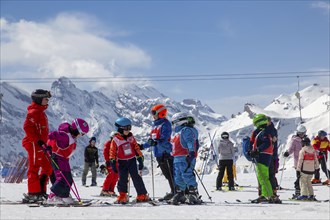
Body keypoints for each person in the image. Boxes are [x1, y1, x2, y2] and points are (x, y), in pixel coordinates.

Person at [47, 118, 89, 204]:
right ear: (76, 130)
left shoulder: (71, 136)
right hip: (57, 158)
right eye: (82, 133)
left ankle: (64, 196)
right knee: (61, 178)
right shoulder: (65, 136)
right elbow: (53, 134)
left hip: (64, 159)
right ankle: (52, 196)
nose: (81, 136)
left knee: (68, 179)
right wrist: (47, 145)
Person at [22, 89, 53, 203]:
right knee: (34, 168)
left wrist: (45, 143)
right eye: (46, 99)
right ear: (39, 99)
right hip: (34, 144)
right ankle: (33, 194)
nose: (47, 101)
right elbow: (27, 128)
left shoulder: (40, 111)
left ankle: (40, 191)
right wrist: (37, 141)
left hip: (41, 145)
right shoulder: (34, 112)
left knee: (47, 167)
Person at [110, 117, 149, 204]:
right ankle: (123, 195)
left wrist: (140, 158)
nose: (128, 130)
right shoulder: (115, 140)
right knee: (122, 179)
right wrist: (112, 161)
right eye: (126, 128)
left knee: (136, 177)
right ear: (119, 129)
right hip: (122, 162)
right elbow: (112, 151)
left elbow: (136, 148)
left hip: (131, 161)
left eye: (129, 128)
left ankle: (142, 194)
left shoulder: (131, 137)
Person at [141, 104, 174, 201]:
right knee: (167, 174)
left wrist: (156, 142)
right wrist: (142, 146)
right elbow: (152, 140)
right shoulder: (155, 126)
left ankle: (176, 192)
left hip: (165, 152)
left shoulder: (165, 124)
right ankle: (173, 191)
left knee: (171, 174)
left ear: (161, 113)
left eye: (154, 113)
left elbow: (164, 138)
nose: (152, 115)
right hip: (158, 153)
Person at [170, 112, 201, 205]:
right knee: (178, 177)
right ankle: (180, 193)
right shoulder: (177, 132)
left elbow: (190, 141)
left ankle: (193, 193)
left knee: (187, 175)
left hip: (185, 156)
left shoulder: (186, 130)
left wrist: (191, 152)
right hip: (177, 158)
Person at [248, 114, 275, 203]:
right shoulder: (264, 131)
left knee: (262, 176)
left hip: (263, 156)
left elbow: (266, 143)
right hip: (265, 155)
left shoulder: (262, 132)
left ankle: (266, 195)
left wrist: (257, 150)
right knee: (263, 176)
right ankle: (269, 194)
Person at [283, 124, 307, 198]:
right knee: (299, 177)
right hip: (298, 163)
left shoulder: (306, 140)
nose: (302, 135)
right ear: (298, 133)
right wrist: (287, 153)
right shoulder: (294, 140)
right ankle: (297, 191)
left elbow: (310, 149)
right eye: (300, 133)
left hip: (306, 162)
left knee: (305, 178)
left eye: (303, 133)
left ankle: (304, 192)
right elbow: (291, 149)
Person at [265, 116, 280, 201]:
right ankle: (269, 191)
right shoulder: (270, 129)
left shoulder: (271, 130)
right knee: (269, 174)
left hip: (270, 155)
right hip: (270, 154)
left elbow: (272, 142)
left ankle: (272, 192)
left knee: (271, 174)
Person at [100, 131, 119, 196]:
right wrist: (107, 161)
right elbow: (105, 152)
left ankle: (111, 190)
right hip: (111, 162)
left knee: (116, 176)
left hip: (117, 162)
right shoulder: (108, 143)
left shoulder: (118, 145)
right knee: (110, 175)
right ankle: (105, 190)